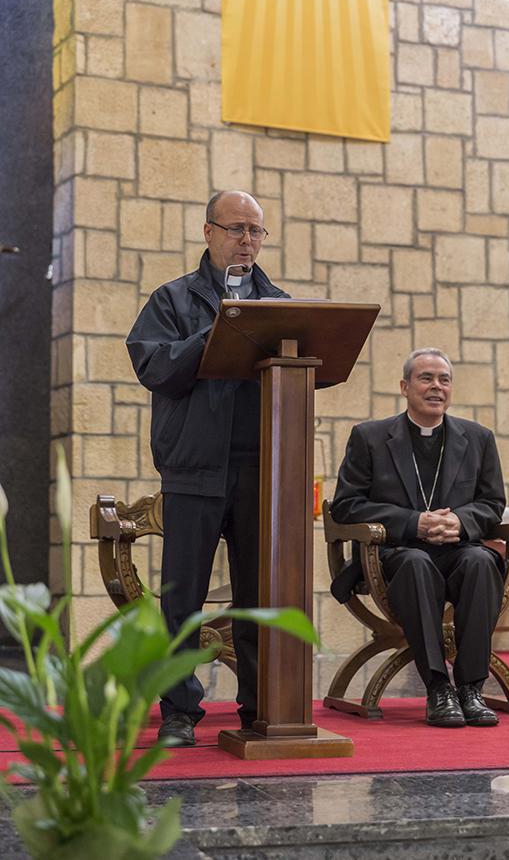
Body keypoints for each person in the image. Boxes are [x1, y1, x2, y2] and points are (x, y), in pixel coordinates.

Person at [126, 191, 289, 746]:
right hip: (193, 468)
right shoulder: (171, 299)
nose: (247, 241)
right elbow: (155, 366)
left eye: (256, 232)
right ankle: (178, 711)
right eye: (237, 229)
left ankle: (260, 706)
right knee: (182, 598)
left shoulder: (280, 305)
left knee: (258, 596)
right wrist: (220, 328)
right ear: (208, 232)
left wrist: (252, 321)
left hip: (259, 470)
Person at [330, 348, 506, 728]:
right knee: (415, 562)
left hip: (458, 550)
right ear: (405, 387)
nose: (436, 387)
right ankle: (438, 688)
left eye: (444, 380)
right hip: (397, 553)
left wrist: (460, 521)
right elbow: (346, 505)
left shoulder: (478, 438)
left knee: (480, 561)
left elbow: (493, 503)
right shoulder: (370, 437)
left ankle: (471, 688)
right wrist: (414, 523)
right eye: (426, 378)